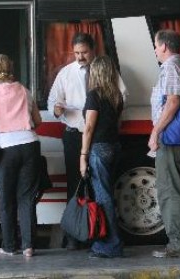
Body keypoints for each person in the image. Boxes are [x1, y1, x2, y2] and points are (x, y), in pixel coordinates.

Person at [0, 54, 42, 257]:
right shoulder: (24, 90)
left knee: (6, 199)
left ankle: (9, 246)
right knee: (27, 198)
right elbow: (37, 120)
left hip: (6, 149)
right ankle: (29, 246)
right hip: (30, 145)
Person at [149, 29, 180, 258]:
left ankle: (178, 244)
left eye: (156, 45)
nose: (155, 50)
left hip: (172, 137)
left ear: (164, 47)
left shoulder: (170, 66)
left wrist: (156, 130)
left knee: (171, 190)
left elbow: (173, 101)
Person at [47, 33, 95, 249]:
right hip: (74, 134)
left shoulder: (102, 69)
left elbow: (122, 95)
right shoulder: (65, 73)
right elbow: (53, 101)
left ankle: (96, 231)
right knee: (74, 184)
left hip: (97, 135)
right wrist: (56, 110)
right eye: (76, 53)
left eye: (84, 52)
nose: (80, 57)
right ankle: (75, 234)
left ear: (92, 50)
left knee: (98, 184)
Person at [79, 56, 124, 258]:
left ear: (94, 73)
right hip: (115, 146)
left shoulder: (93, 96)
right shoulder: (116, 96)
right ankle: (109, 242)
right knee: (107, 194)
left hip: (99, 148)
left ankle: (110, 245)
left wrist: (83, 155)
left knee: (103, 197)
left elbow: (89, 128)